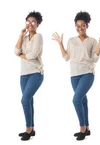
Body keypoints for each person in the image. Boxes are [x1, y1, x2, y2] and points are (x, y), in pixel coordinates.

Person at [51, 11, 100, 141]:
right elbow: (66, 58)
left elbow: (95, 59)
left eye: (83, 25)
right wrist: (60, 43)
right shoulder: (71, 40)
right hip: (74, 75)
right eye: (77, 26)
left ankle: (82, 128)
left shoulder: (92, 41)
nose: (80, 28)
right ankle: (87, 127)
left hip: (87, 73)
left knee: (76, 100)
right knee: (82, 100)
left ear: (87, 26)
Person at [15, 11, 45, 141]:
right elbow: (16, 51)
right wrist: (21, 35)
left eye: (33, 22)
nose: (30, 24)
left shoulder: (38, 37)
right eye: (28, 21)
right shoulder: (25, 38)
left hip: (36, 73)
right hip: (24, 74)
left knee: (24, 100)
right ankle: (32, 128)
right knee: (29, 101)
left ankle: (28, 128)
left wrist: (22, 56)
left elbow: (33, 55)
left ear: (37, 24)